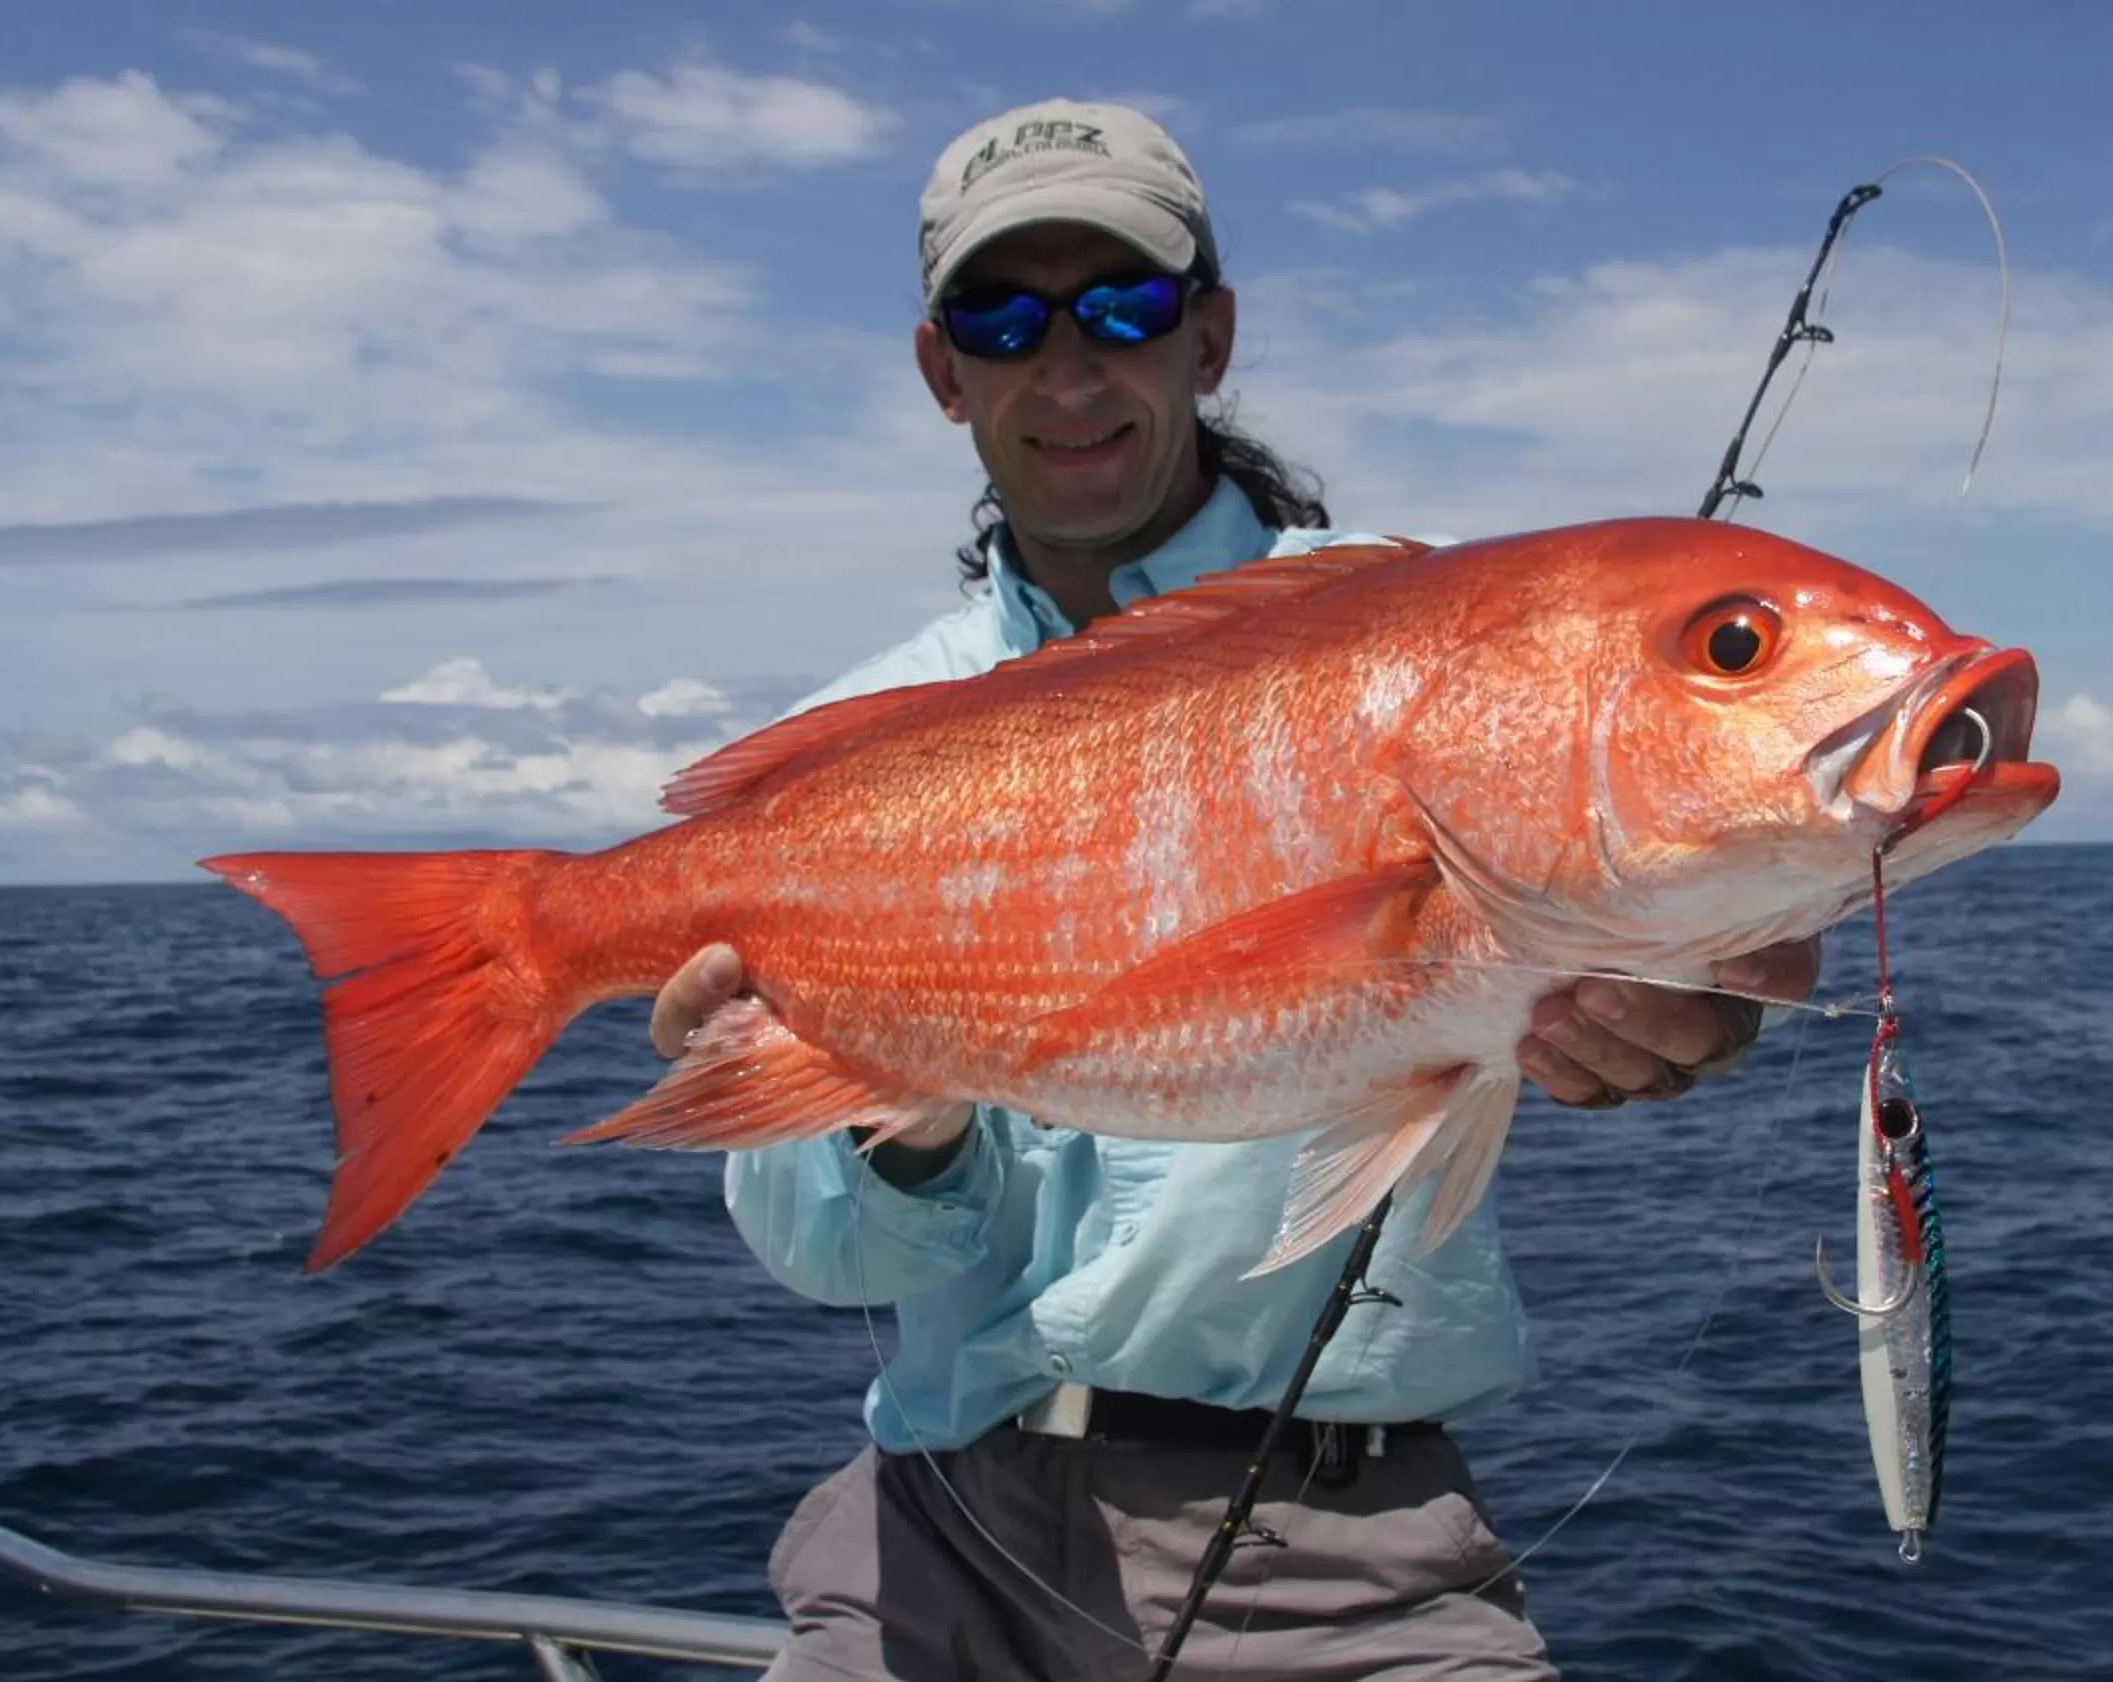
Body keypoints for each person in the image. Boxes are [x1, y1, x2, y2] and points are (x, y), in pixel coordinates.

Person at [648, 98, 1825, 1680]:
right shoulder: (871, 731)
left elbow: (1627, 872)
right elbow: (835, 1263)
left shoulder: (1448, 632)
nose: (1068, 369)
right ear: (944, 372)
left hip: (1344, 1565)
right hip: (931, 1544)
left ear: (1209, 336)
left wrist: (1695, 988)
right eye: (1004, 318)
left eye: (1123, 307)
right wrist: (897, 1118)